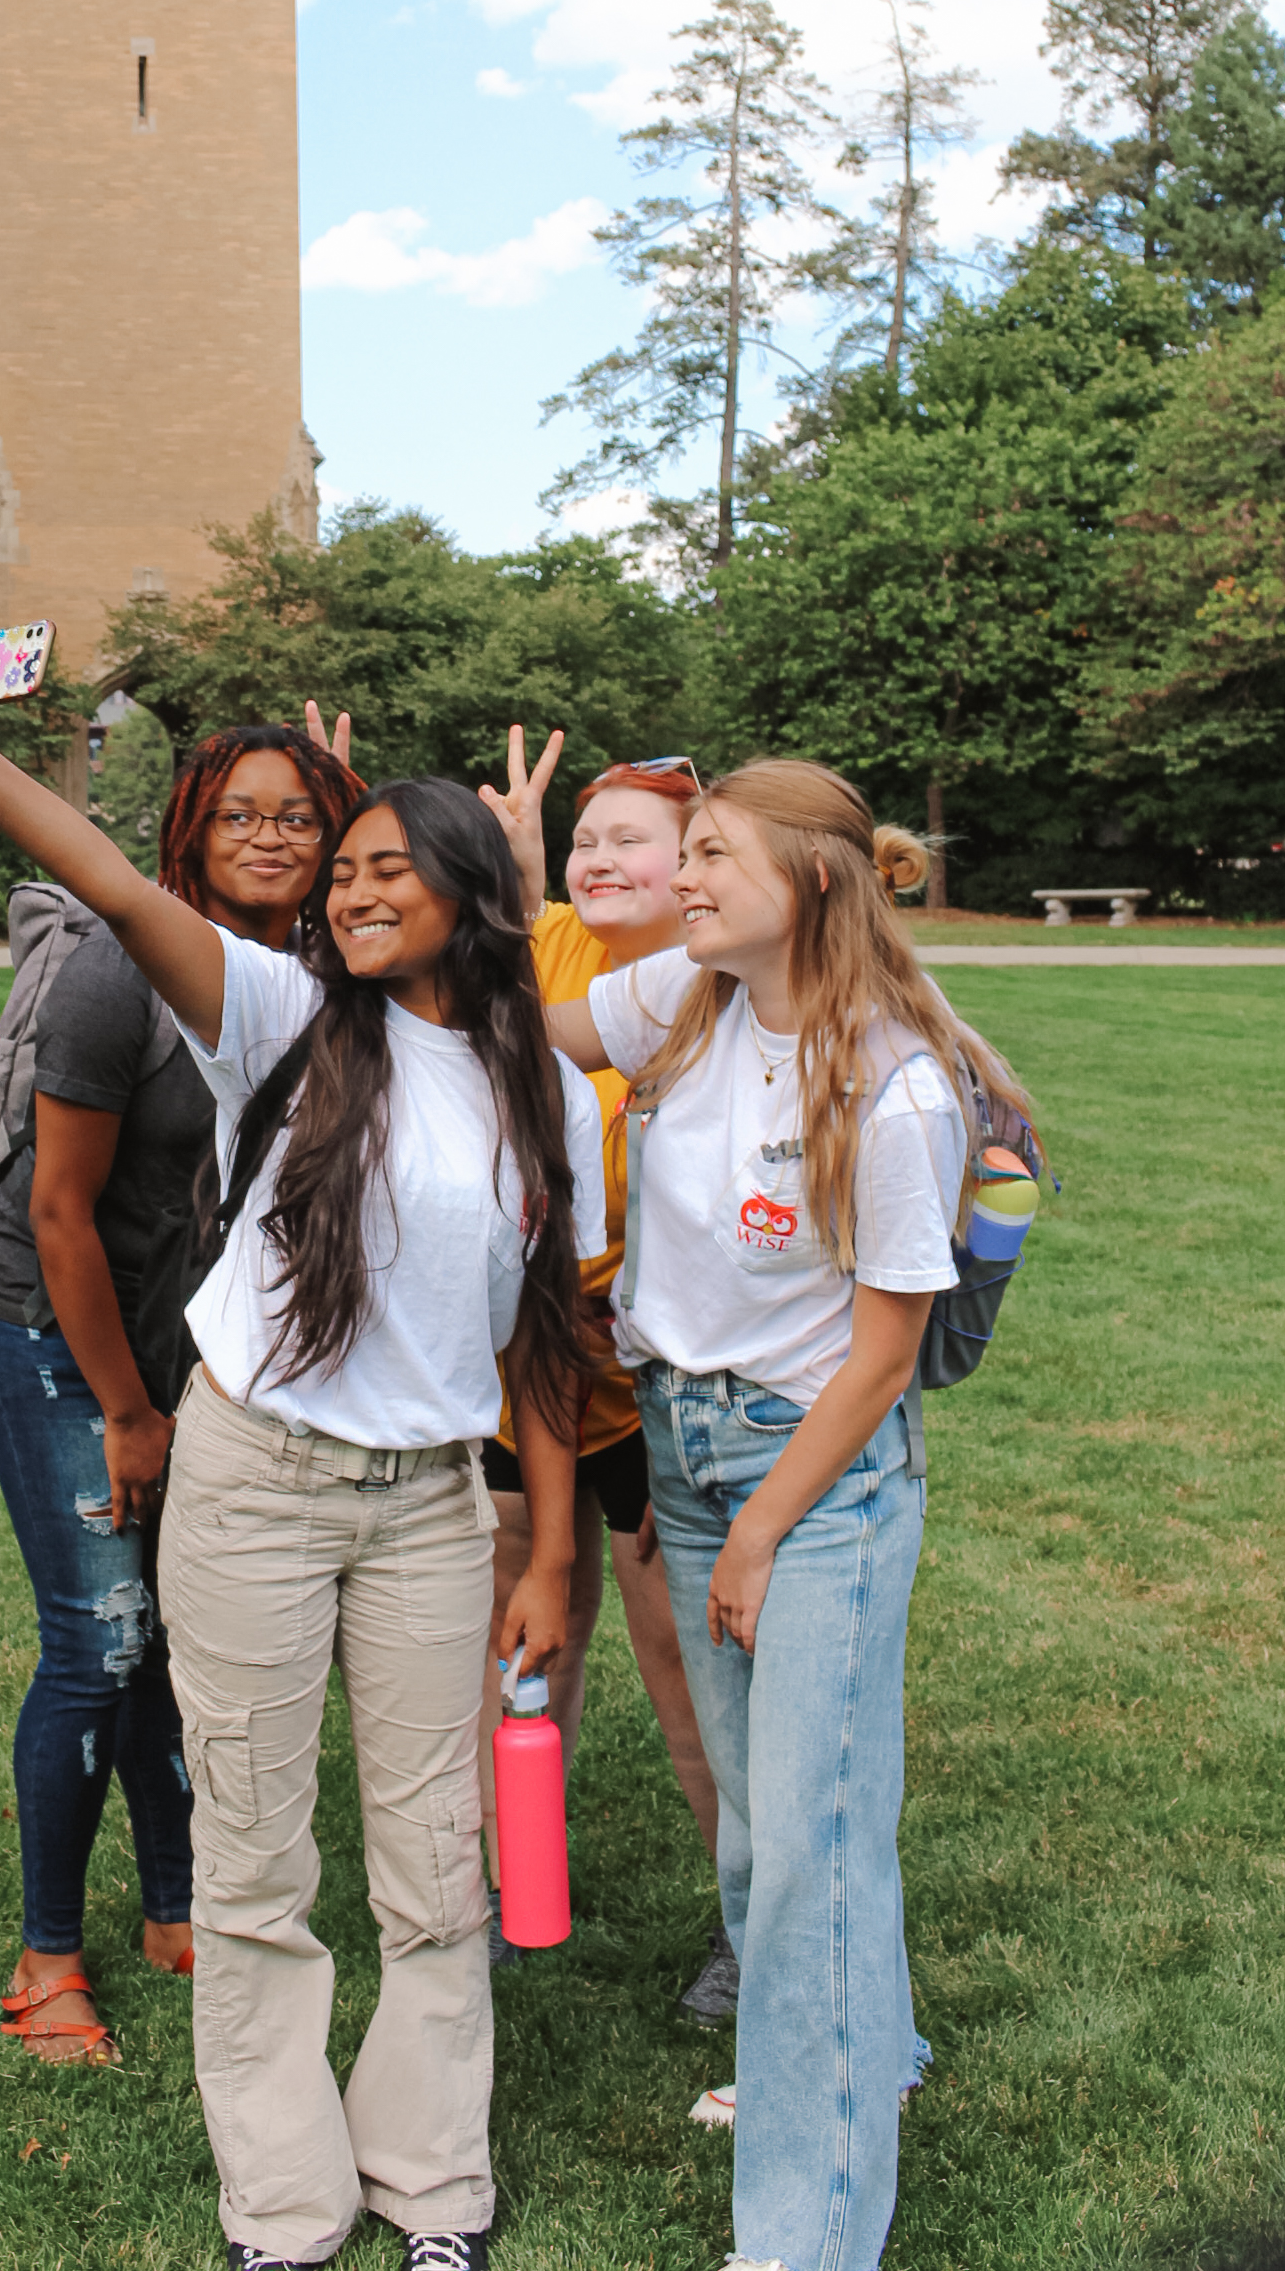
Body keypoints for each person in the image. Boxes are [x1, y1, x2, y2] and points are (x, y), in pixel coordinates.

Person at [0, 625, 602, 2271]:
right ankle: (285, 2210)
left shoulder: (539, 1087)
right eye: (340, 869)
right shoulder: (279, 1013)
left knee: (436, 1865)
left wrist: (553, 1547)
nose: (348, 889)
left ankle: (432, 2186)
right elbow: (105, 874)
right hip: (256, 1485)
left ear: (467, 888)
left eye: (383, 867)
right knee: (253, 1854)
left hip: (433, 1508)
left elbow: (542, 1337)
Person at [511, 755, 1034, 2271]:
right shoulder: (684, 995)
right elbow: (529, 1021)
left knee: (804, 1842)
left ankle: (802, 2237)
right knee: (765, 1832)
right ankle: (863, 2046)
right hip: (683, 1440)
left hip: (810, 1479)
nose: (680, 879)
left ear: (806, 879)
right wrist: (502, 881)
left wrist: (753, 1532)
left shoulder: (890, 1083)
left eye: (709, 856)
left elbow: (879, 1359)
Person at [0, 715, 361, 2067]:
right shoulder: (113, 978)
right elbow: (61, 1216)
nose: (268, 835)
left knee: (172, 1635)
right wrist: (127, 1413)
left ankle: (175, 1904)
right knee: (98, 1640)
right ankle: (47, 1955)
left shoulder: (316, 974)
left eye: (295, 816)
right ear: (188, 822)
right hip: (52, 1328)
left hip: (193, 1350)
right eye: (239, 812)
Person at [475, 757, 728, 2017]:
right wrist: (520, 883)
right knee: (526, 1644)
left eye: (634, 839)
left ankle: (747, 1919)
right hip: (530, 1373)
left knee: (685, 1664)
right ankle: (505, 1897)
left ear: (696, 863)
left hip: (659, 1394)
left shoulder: (721, 972)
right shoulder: (549, 945)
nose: (598, 859)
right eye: (585, 839)